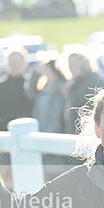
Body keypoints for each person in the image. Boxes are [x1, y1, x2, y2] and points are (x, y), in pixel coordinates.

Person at [0, 46, 33, 189]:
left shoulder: (33, 87)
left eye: (18, 61)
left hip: (31, 140)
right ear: (6, 63)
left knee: (29, 181)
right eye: (11, 61)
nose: (15, 65)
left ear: (25, 63)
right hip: (6, 140)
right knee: (8, 179)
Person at [26, 50, 69, 180]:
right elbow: (29, 93)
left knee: (54, 179)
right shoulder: (45, 87)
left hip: (52, 142)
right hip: (41, 139)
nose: (43, 71)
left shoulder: (60, 89)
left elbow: (56, 119)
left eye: (46, 69)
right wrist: (34, 72)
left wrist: (46, 138)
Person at [61, 45, 104, 134]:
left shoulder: (93, 80)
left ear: (83, 63)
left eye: (74, 64)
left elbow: (91, 109)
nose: (71, 67)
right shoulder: (75, 82)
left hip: (87, 131)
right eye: (69, 64)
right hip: (73, 130)